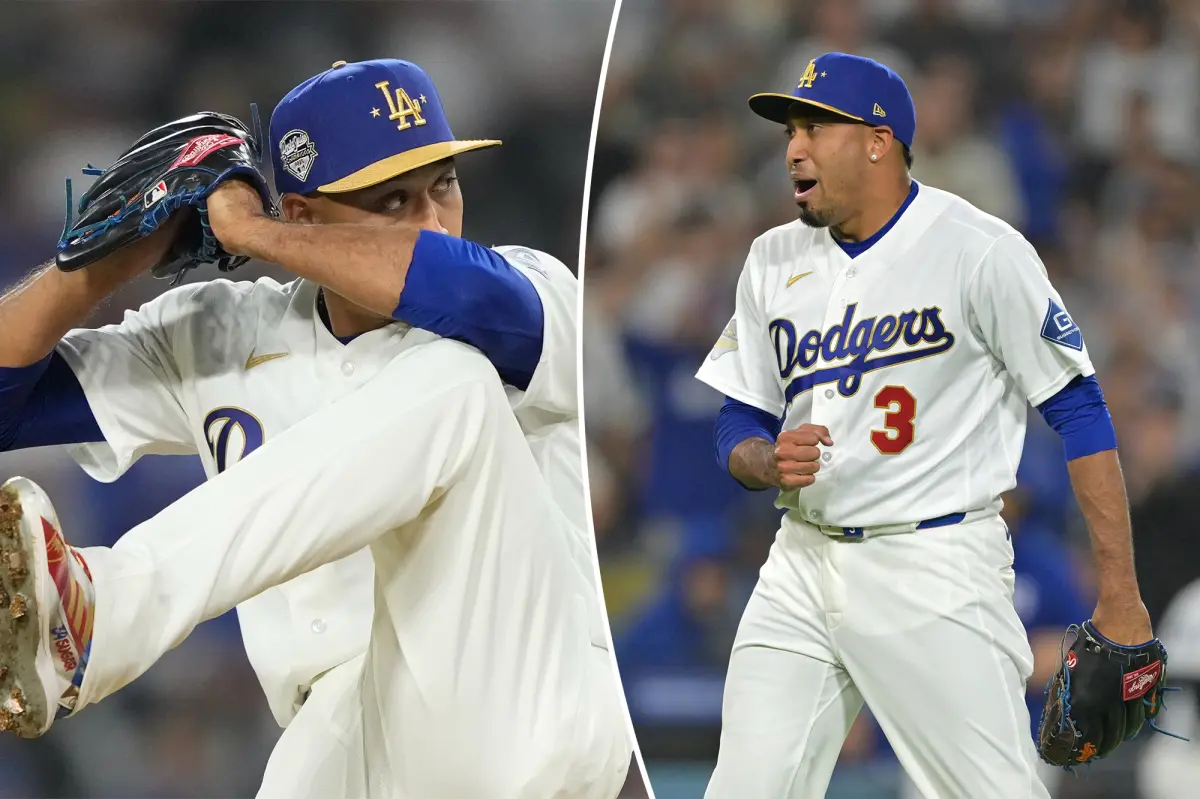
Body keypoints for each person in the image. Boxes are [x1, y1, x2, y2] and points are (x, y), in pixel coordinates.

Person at [0, 58, 630, 798]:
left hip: (516, 699)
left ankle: (107, 611)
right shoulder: (222, 333)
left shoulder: (527, 287)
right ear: (303, 214)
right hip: (332, 740)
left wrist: (253, 233)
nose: (432, 220)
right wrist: (110, 263)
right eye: (393, 199)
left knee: (455, 382)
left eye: (444, 184)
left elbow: (458, 288)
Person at [695, 52, 1155, 798]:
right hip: (799, 565)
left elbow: (1078, 407)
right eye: (789, 131)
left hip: (933, 563)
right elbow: (739, 415)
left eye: (815, 127)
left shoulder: (979, 249)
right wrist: (760, 457)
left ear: (879, 141)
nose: (793, 148)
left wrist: (1122, 595)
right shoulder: (770, 258)